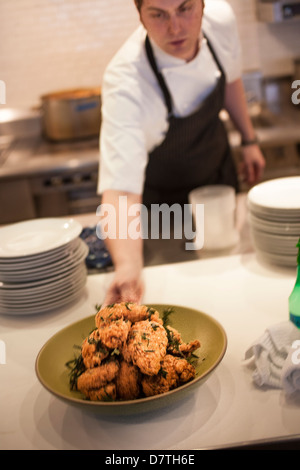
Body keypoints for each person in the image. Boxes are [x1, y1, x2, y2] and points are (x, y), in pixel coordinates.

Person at [97, 0, 265, 306]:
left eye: (185, 9)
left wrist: (249, 139)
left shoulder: (220, 20)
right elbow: (121, 190)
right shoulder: (127, 81)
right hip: (163, 208)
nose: (175, 28)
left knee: (234, 289)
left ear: (202, 5)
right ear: (140, 15)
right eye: (158, 15)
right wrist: (128, 267)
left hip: (218, 180)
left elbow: (230, 77)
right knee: (178, 297)